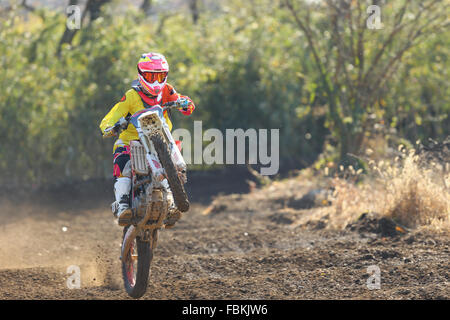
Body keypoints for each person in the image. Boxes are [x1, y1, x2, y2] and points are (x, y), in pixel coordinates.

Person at [99, 52, 195, 224]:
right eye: (151, 76)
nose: (156, 81)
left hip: (160, 138)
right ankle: (122, 204)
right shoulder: (131, 96)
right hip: (132, 140)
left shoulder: (167, 90)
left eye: (160, 76)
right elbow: (113, 114)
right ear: (141, 75)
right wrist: (109, 126)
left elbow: (181, 101)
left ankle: (172, 202)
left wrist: (185, 103)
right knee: (123, 164)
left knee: (175, 158)